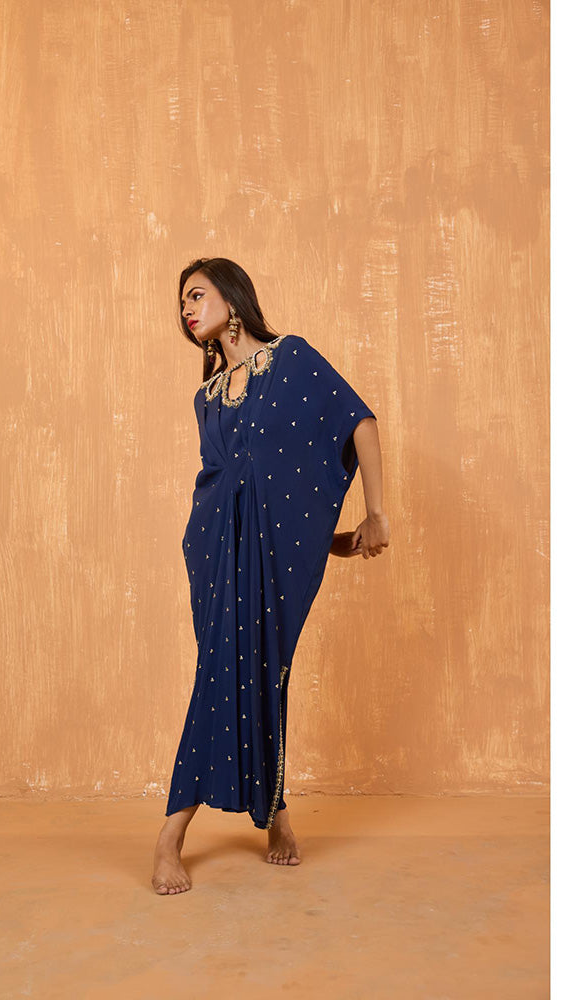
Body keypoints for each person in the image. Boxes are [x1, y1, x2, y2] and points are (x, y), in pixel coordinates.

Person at [151, 258, 390, 895]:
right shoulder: (207, 399)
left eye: (196, 295)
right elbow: (228, 485)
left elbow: (356, 424)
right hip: (212, 556)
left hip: (268, 564)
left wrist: (372, 516)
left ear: (232, 298)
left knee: (262, 675)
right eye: (181, 302)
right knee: (221, 676)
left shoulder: (292, 360)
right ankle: (244, 822)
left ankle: (220, 825)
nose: (186, 309)